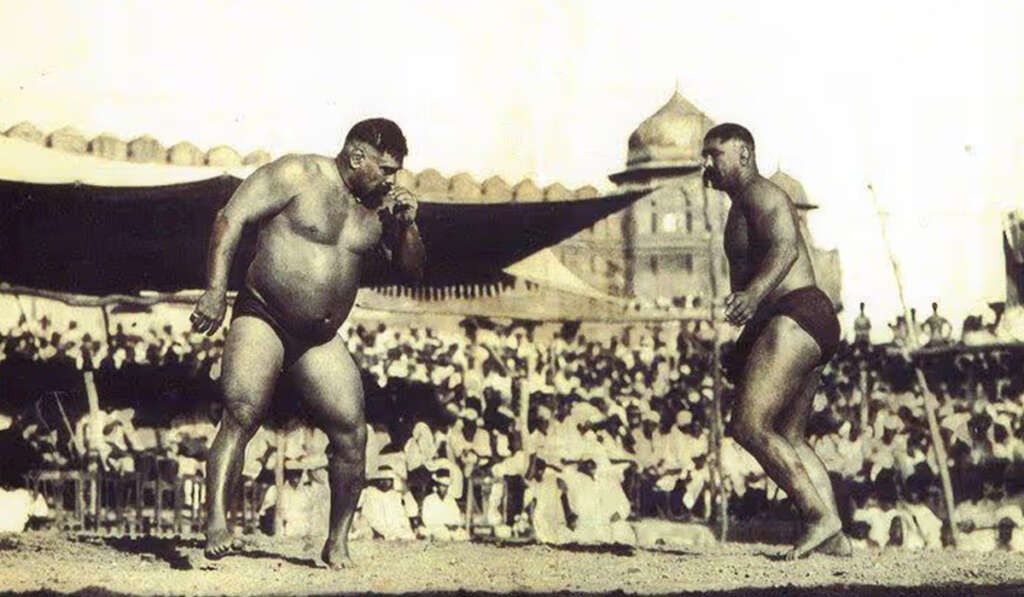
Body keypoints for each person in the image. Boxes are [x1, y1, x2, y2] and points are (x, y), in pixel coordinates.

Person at [190, 118, 425, 567]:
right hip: (263, 316)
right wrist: (215, 291)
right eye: (386, 169)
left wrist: (408, 227)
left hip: (318, 339)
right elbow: (230, 217)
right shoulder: (298, 174)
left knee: (353, 434)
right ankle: (217, 521)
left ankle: (337, 542)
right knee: (241, 414)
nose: (392, 179)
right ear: (357, 156)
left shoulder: (382, 211)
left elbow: (411, 273)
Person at [702, 123, 848, 559]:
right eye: (705, 155)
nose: (707, 164)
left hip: (797, 314)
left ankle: (818, 517)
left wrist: (751, 296)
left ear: (744, 153)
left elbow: (785, 250)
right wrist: (746, 341)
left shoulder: (762, 194)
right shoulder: (742, 204)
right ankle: (835, 538)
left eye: (715, 154)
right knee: (790, 435)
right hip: (802, 319)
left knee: (749, 425)